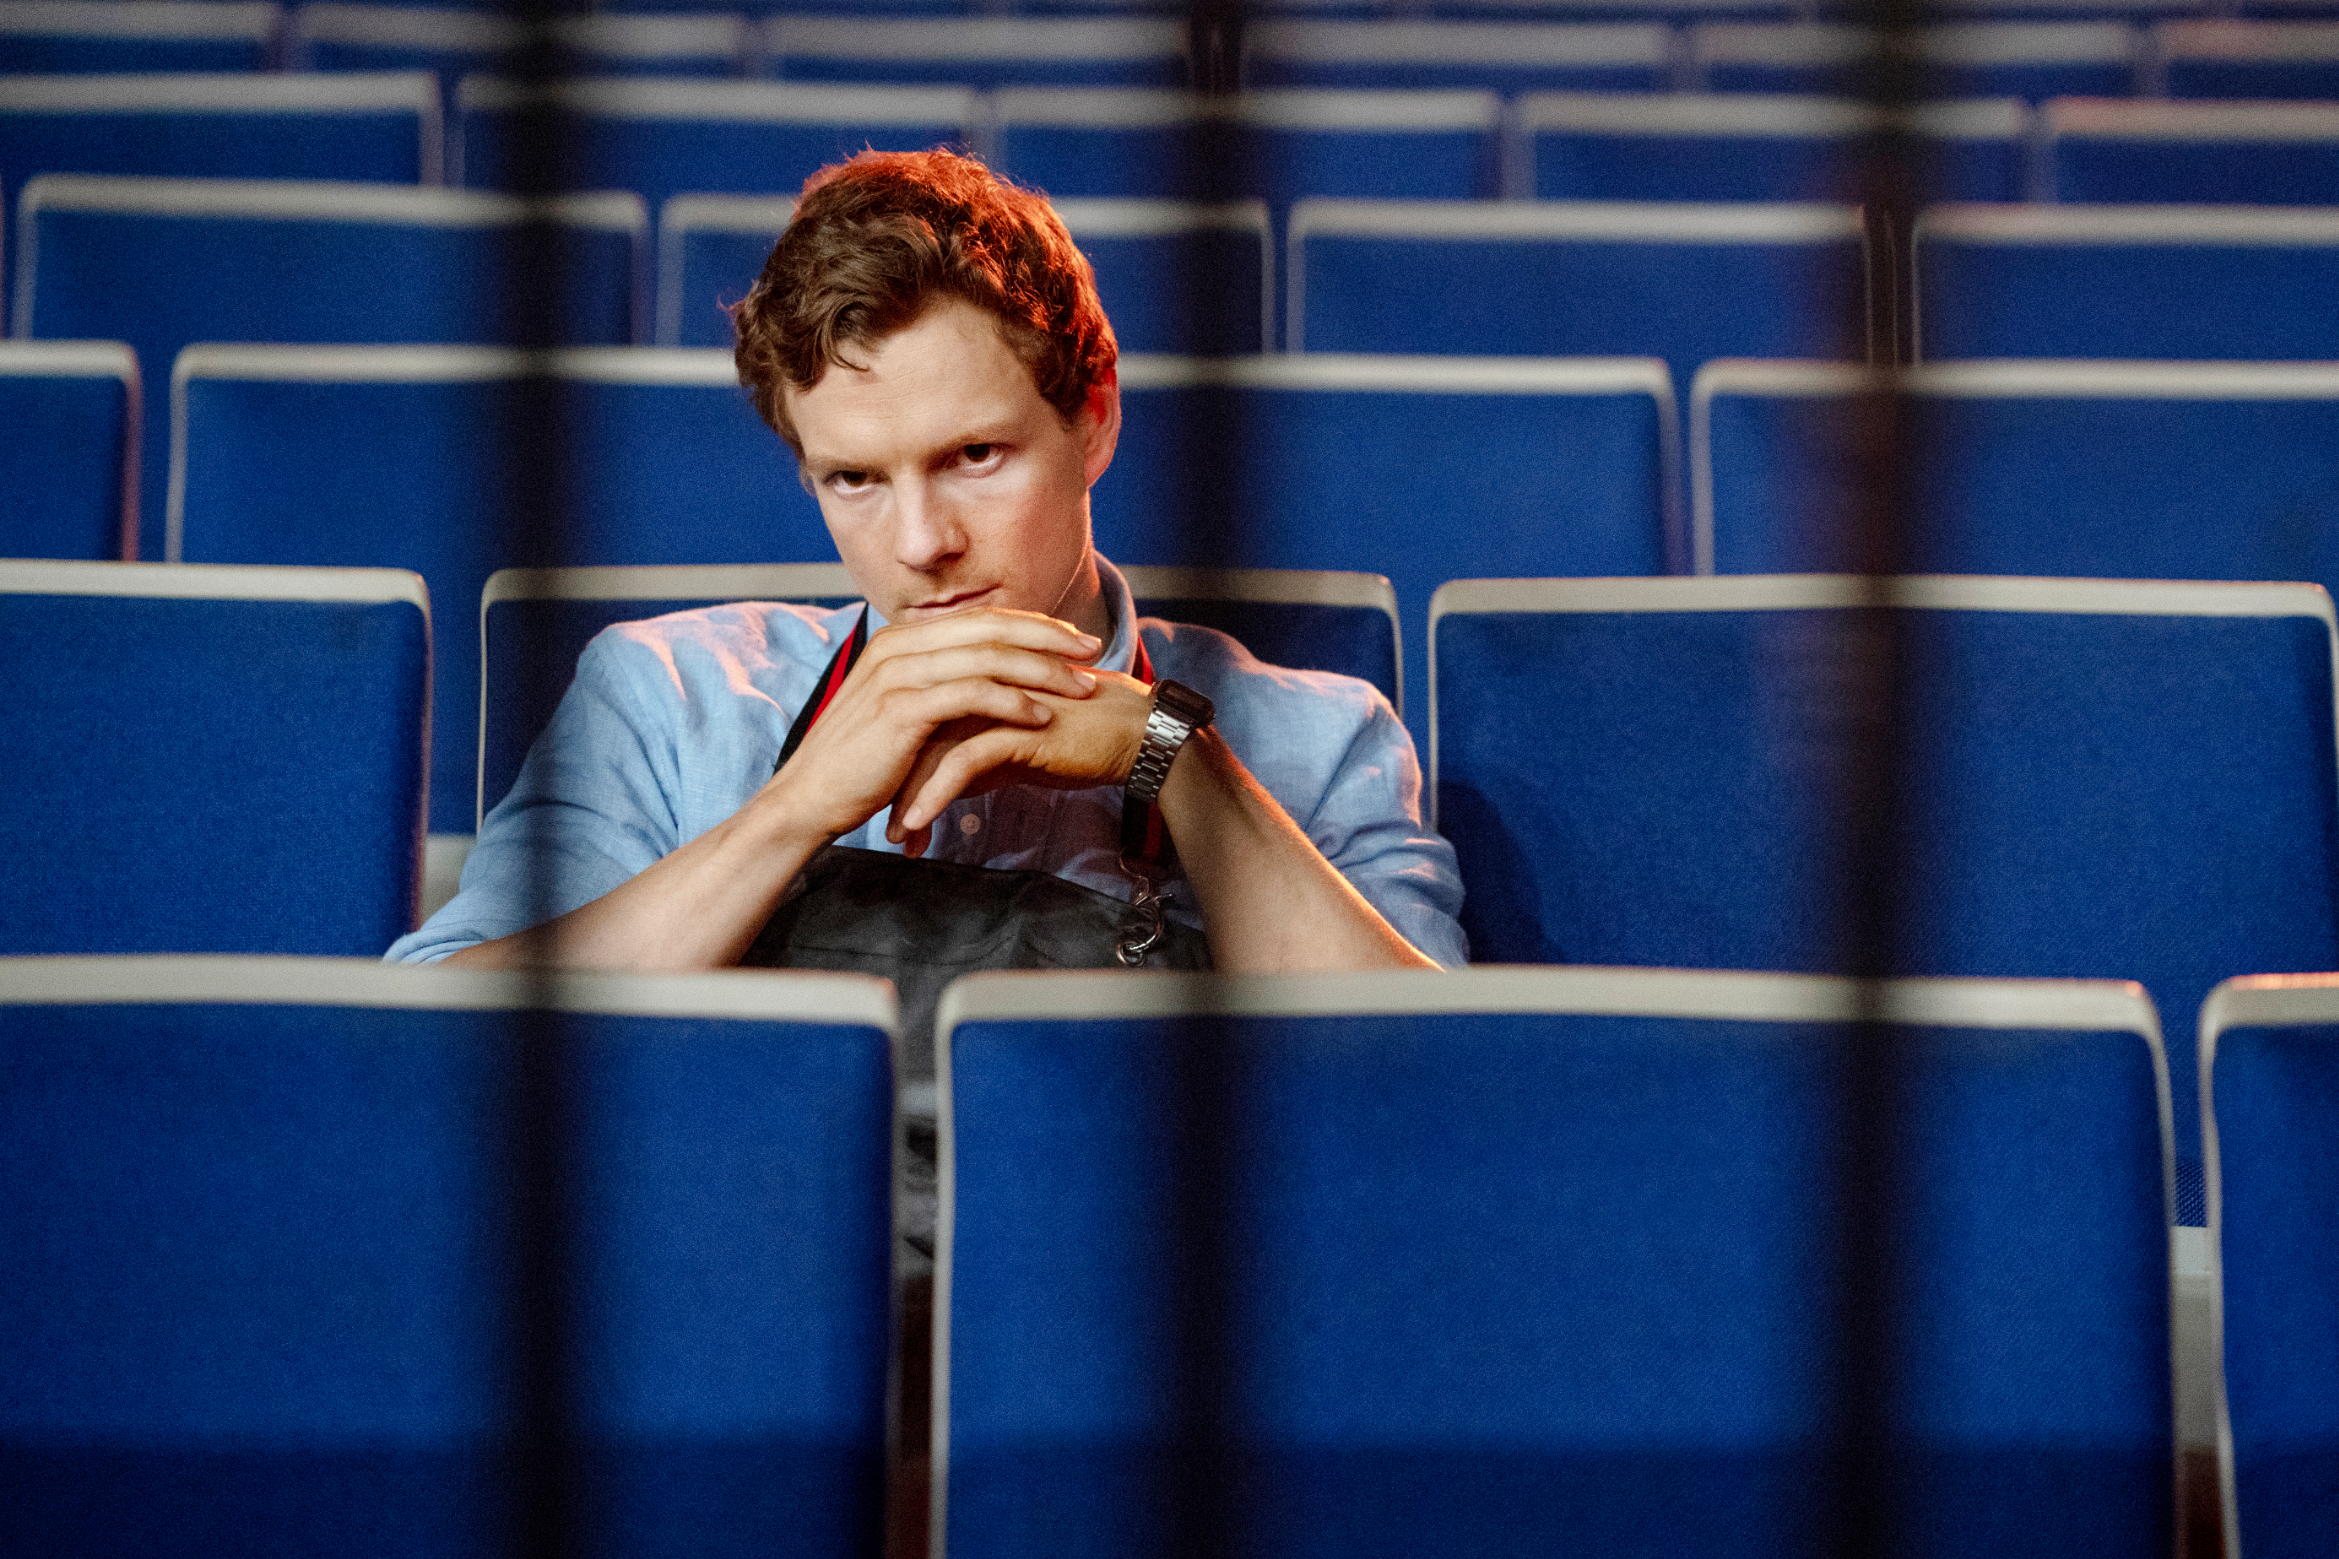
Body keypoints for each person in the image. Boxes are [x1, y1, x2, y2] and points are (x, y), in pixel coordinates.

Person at [386, 147, 1465, 978]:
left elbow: (1442, 1096)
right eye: (854, 479)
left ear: (1092, 420)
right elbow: (427, 1038)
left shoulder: (1319, 738)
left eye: (974, 456)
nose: (920, 545)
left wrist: (1168, 756)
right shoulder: (665, 698)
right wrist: (792, 808)